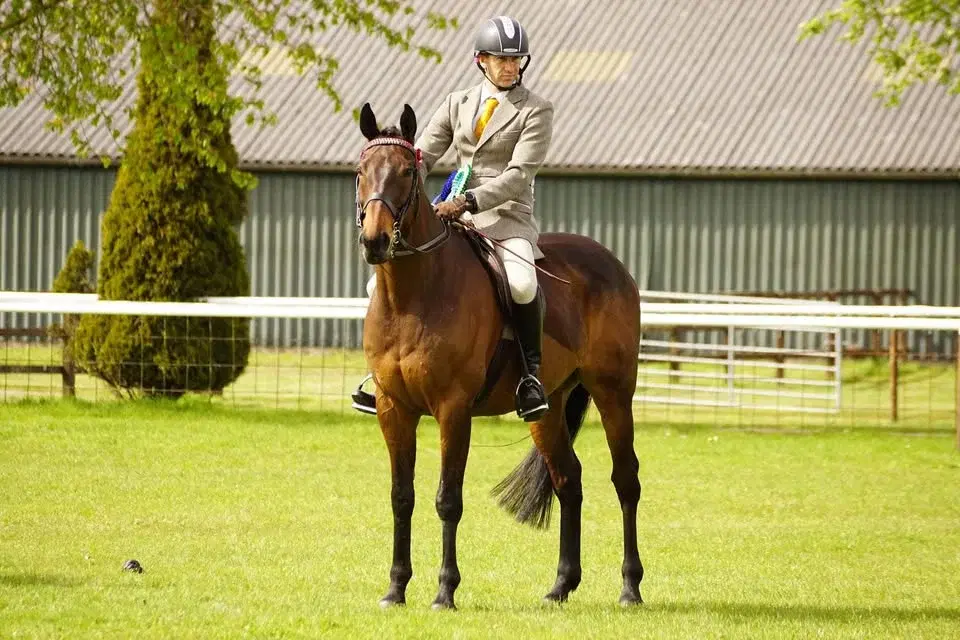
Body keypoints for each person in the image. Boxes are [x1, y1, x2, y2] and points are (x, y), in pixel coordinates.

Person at [354, 15, 554, 422]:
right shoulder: (456, 103)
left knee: (521, 281)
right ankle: (381, 375)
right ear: (481, 60)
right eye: (501, 59)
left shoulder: (536, 110)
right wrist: (405, 184)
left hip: (505, 217)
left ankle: (530, 376)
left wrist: (469, 201)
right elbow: (420, 157)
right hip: (451, 219)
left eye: (517, 60)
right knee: (379, 280)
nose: (510, 67)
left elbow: (519, 175)